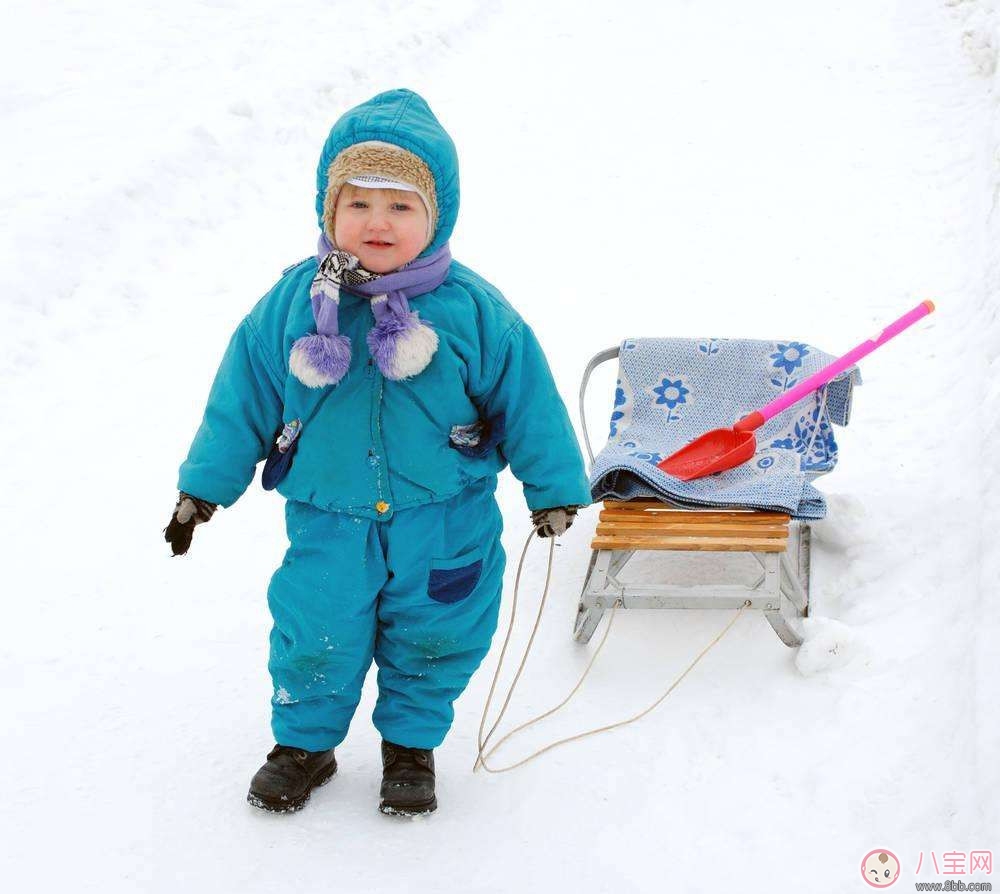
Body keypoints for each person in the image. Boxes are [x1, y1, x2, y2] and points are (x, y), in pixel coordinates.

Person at [164, 88, 590, 817]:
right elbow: (243, 399)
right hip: (329, 514)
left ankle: (410, 747)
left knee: (437, 633)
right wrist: (204, 487)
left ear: (436, 216)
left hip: (445, 516)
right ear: (329, 211)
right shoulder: (293, 304)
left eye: (400, 206)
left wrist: (552, 487)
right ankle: (305, 743)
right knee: (315, 628)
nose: (377, 223)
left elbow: (529, 401)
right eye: (358, 203)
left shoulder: (474, 311)